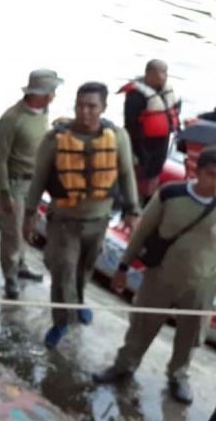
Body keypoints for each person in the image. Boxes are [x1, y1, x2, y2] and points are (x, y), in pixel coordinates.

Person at [92, 146, 216, 404]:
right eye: (212, 175)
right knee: (142, 325)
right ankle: (124, 365)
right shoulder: (170, 194)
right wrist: (123, 267)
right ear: (198, 172)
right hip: (160, 276)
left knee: (191, 335)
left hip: (202, 283)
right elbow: (142, 232)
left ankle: (178, 374)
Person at [23, 82, 140, 348]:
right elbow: (39, 178)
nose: (85, 111)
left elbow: (126, 174)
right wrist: (29, 215)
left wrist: (133, 210)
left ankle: (79, 300)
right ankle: (61, 320)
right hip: (64, 221)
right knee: (63, 269)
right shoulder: (55, 139)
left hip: (98, 221)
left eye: (92, 106)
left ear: (104, 108)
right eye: (80, 105)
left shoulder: (118, 137)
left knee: (84, 269)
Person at [0, 69, 61, 299]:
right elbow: (0, 158)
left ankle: (20, 265)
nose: (54, 95)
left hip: (34, 184)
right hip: (14, 184)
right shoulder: (12, 119)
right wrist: (4, 194)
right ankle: (10, 276)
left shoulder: (43, 112)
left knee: (26, 229)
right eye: (52, 91)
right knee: (12, 234)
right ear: (40, 93)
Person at [120, 59, 181, 202]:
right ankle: (134, 200)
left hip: (162, 142)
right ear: (149, 73)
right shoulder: (136, 95)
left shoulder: (166, 91)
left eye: (165, 73)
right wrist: (134, 148)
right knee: (141, 172)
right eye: (161, 73)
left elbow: (172, 112)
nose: (164, 76)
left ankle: (149, 199)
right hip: (142, 143)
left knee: (156, 171)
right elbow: (130, 123)